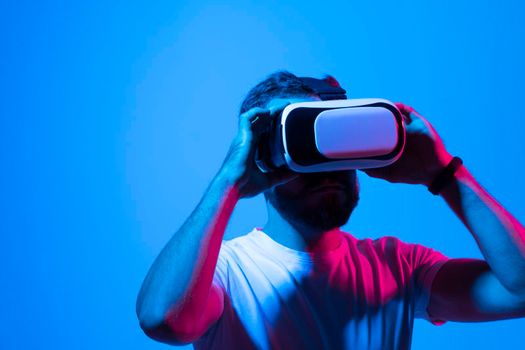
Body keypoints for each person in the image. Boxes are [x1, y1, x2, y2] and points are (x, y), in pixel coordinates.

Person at [136, 71, 525, 349]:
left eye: (334, 140)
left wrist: (443, 174)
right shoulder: (224, 272)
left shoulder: (400, 268)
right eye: (302, 144)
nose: (324, 167)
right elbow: (164, 321)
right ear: (259, 155)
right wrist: (228, 184)